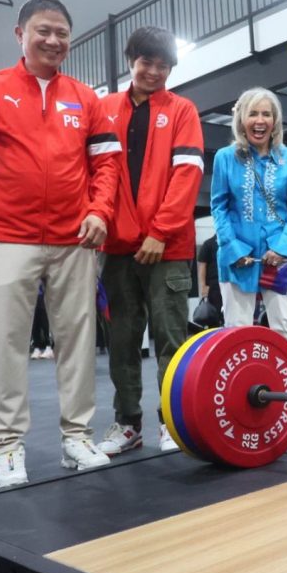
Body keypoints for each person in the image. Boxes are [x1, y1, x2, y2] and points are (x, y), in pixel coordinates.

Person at [0, 0, 122, 489]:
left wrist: (100, 211)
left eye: (61, 33)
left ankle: (77, 437)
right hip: (8, 236)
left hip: (74, 237)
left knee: (77, 340)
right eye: (43, 31)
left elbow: (107, 165)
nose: (53, 41)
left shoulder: (87, 97)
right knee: (6, 343)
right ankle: (7, 448)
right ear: (21, 34)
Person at [96, 26, 204, 457]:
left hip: (169, 249)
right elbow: (97, 174)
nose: (154, 71)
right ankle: (127, 424)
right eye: (146, 62)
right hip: (116, 248)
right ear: (130, 61)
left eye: (163, 65)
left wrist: (160, 232)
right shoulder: (103, 109)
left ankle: (170, 421)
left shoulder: (183, 110)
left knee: (170, 339)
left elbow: (187, 176)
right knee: (121, 339)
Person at [210, 87, 287, 352]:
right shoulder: (224, 158)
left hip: (280, 258)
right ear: (242, 119)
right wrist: (233, 249)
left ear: (275, 121)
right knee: (236, 331)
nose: (260, 120)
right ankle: (238, 392)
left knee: (285, 328)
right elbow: (218, 207)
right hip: (236, 259)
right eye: (253, 113)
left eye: (267, 114)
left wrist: (282, 246)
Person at [197, 234, 223, 323]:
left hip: (228, 283)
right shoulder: (209, 244)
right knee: (214, 316)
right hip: (213, 286)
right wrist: (203, 286)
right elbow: (202, 265)